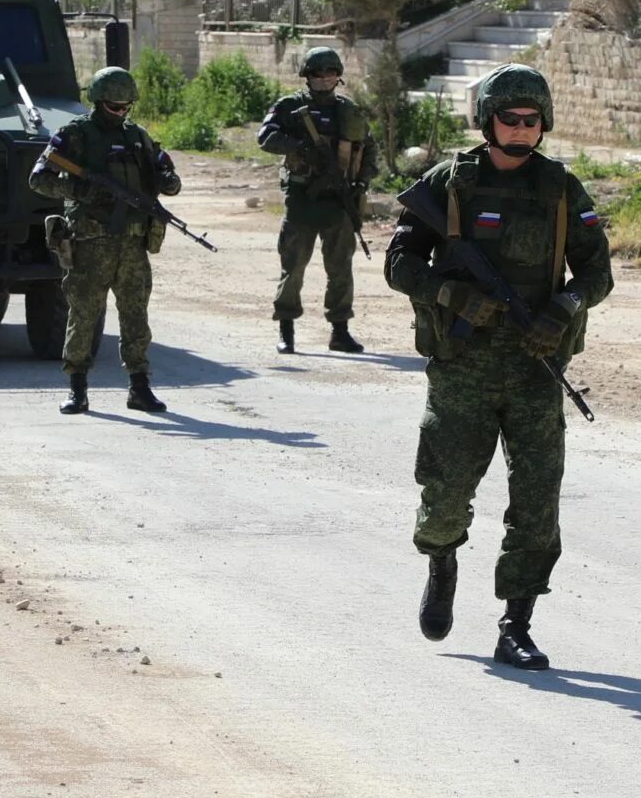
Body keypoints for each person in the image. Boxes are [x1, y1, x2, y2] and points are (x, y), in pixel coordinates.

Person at [384, 65, 613, 671]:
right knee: (446, 493)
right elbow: (400, 263)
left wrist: (562, 308)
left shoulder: (562, 188)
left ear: (544, 125)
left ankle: (517, 623)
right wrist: (451, 295)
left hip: (536, 368)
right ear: (487, 121)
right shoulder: (449, 183)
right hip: (462, 367)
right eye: (508, 120)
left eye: (530, 121)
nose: (519, 130)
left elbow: (597, 273)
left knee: (537, 499)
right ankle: (442, 562)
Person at [31, 65, 181, 416]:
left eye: (126, 105)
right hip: (90, 243)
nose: (121, 111)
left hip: (131, 244)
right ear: (98, 102)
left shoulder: (139, 137)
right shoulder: (75, 135)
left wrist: (167, 181)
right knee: (83, 315)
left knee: (135, 316)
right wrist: (78, 188)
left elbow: (163, 170)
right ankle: (77, 388)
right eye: (114, 105)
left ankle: (139, 386)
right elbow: (39, 178)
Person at [259, 45, 378, 354]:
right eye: (318, 73)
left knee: (340, 269)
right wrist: (299, 147)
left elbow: (369, 148)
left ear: (338, 76)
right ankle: (287, 330)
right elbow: (266, 138)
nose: (325, 78)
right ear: (306, 76)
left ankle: (340, 331)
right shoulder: (289, 106)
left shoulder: (348, 111)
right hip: (302, 199)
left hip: (338, 201)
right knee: (293, 268)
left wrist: (361, 183)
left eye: (331, 73)